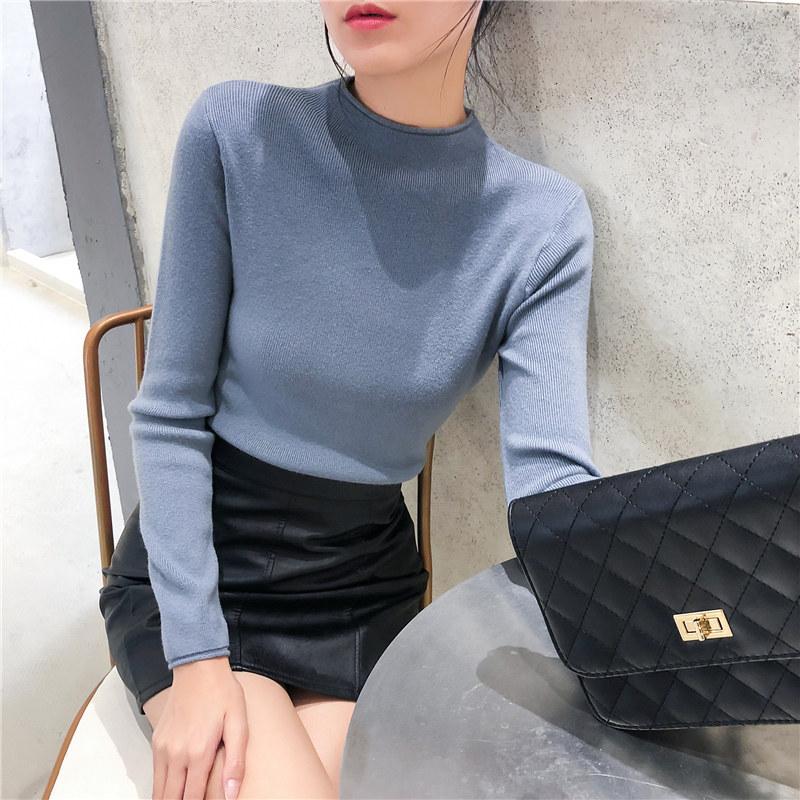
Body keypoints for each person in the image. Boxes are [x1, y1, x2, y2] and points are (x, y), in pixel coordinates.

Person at [98, 1, 601, 798]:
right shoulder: (239, 130)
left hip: (360, 590)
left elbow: (551, 490)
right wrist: (195, 659)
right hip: (200, 573)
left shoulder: (540, 222)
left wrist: (644, 625)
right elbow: (168, 412)